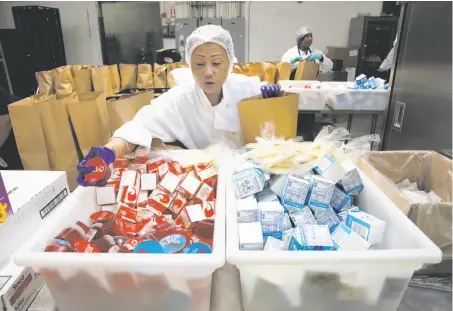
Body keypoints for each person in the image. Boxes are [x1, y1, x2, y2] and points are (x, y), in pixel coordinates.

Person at [77, 25, 274, 186]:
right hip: (206, 179)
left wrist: (275, 97)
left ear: (229, 63)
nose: (208, 72)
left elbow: (275, 101)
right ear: (189, 64)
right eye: (199, 64)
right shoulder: (180, 99)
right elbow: (140, 126)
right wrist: (109, 152)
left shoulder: (246, 87)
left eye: (216, 63)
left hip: (250, 172)